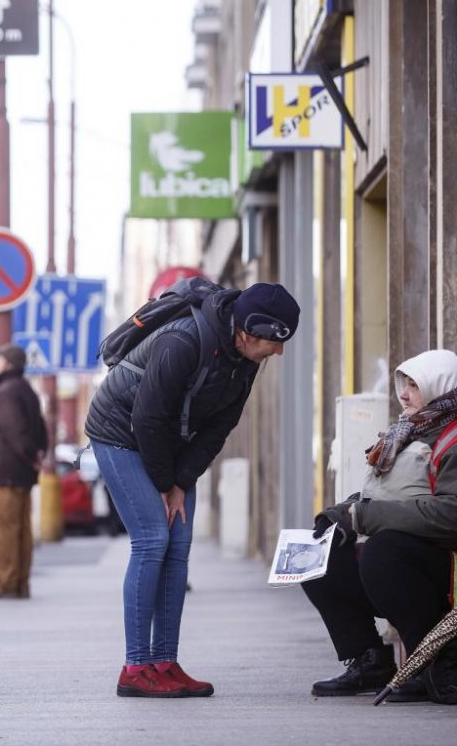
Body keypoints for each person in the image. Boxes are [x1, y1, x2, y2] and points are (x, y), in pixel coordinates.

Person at [85, 281, 300, 698]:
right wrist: (166, 484)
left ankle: (164, 661)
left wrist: (181, 483)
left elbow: (221, 425)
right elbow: (148, 419)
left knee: (178, 543)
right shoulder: (181, 341)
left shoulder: (246, 359)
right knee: (151, 539)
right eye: (275, 341)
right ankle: (135, 667)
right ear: (248, 331)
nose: (279, 352)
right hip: (118, 433)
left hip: (171, 442)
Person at [302, 349, 457, 703]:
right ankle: (369, 660)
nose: (404, 394)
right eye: (403, 384)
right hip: (426, 557)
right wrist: (342, 515)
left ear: (441, 387)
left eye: (414, 385)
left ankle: (432, 661)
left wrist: (368, 516)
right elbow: (392, 492)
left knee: (384, 551)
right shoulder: (416, 429)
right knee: (320, 554)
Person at [0, 343, 48, 600]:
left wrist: (31, 456)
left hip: (3, 475)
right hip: (17, 474)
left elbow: (16, 433)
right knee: (20, 531)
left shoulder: (6, 393)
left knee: (3, 531)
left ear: (6, 364)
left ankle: (7, 583)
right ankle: (19, 583)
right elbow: (40, 428)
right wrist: (38, 454)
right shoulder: (24, 389)